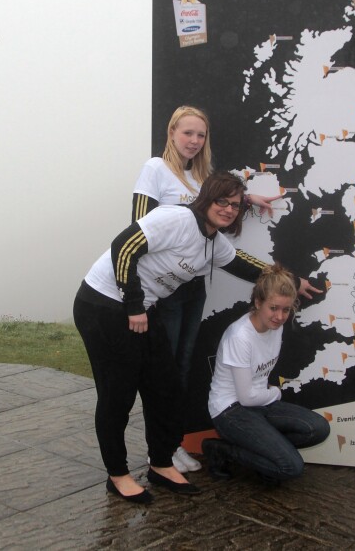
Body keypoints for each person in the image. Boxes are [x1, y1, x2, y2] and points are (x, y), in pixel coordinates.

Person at [74, 171, 309, 504]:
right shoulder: (177, 218)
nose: (227, 210)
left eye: (234, 205)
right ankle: (118, 475)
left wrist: (292, 280)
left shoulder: (214, 242)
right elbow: (123, 247)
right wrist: (133, 304)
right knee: (118, 395)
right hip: (103, 305)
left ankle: (160, 462)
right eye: (221, 201)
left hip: (141, 309)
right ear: (206, 199)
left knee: (166, 388)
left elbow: (245, 265)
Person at [131, 105, 315, 473]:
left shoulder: (198, 179)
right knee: (164, 374)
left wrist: (249, 201)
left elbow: (214, 211)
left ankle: (171, 444)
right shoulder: (155, 169)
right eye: (188, 133)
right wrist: (136, 298)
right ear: (171, 132)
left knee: (182, 370)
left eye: (201, 135)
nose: (194, 141)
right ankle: (159, 452)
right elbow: (138, 231)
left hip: (192, 288)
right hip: (163, 292)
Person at [202, 265, 330, 484]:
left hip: (259, 402)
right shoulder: (240, 337)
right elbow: (246, 398)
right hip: (230, 410)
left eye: (286, 310)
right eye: (273, 308)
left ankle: (265, 453)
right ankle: (222, 451)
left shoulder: (276, 326)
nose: (280, 317)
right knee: (291, 467)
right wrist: (276, 394)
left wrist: (268, 396)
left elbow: (255, 395)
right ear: (258, 303)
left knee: (318, 428)